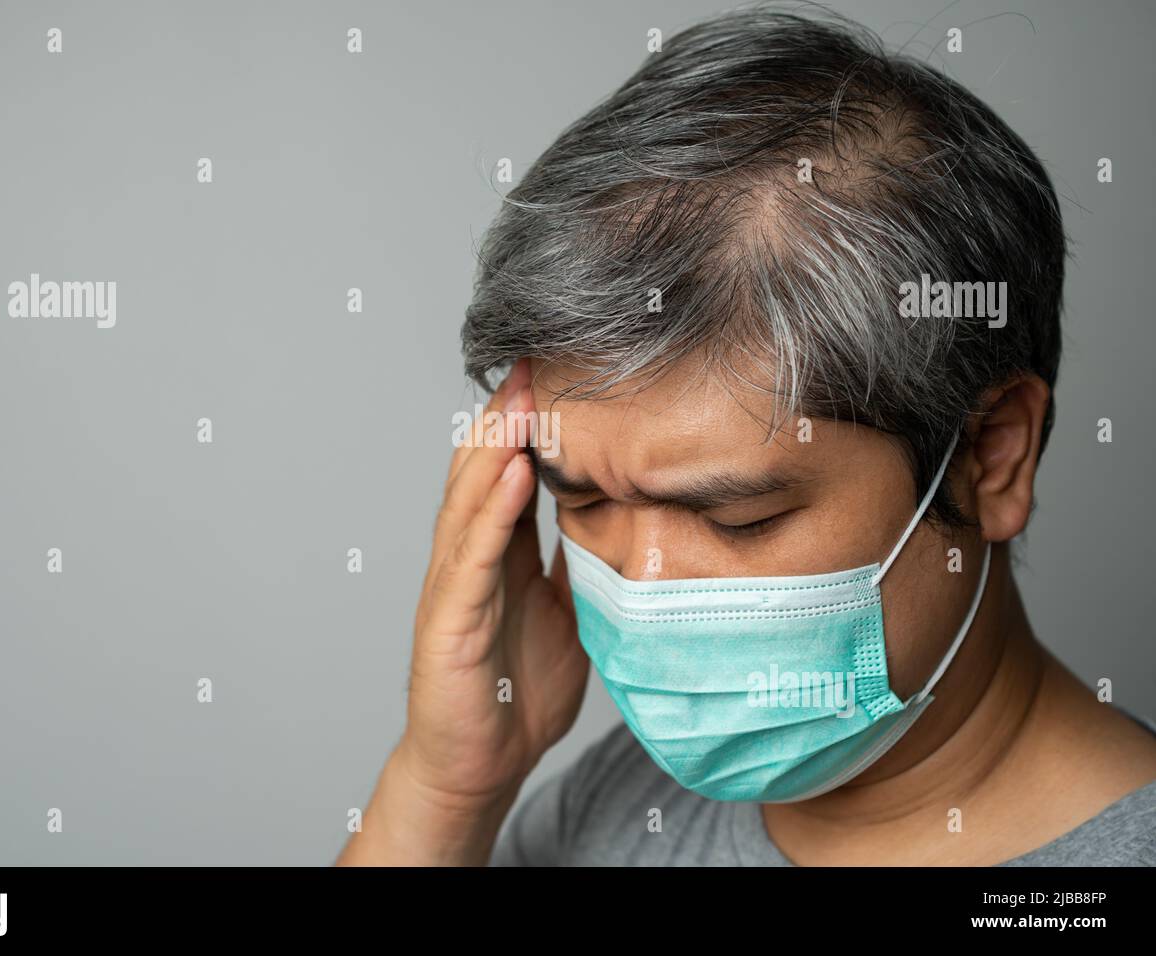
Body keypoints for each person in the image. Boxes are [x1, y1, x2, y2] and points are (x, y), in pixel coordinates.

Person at [336, 8, 1156, 867]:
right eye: (578, 497)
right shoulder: (611, 805)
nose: (639, 590)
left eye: (739, 519)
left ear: (992, 456)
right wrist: (445, 789)